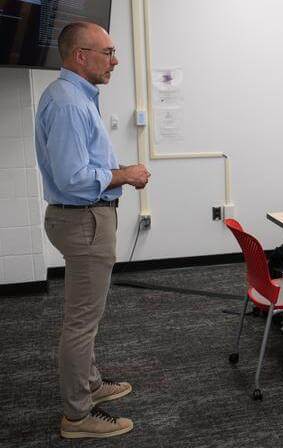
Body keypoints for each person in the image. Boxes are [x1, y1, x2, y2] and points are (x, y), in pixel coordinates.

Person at [36, 22, 150, 439]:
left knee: (87, 316)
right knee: (81, 322)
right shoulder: (68, 103)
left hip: (85, 219)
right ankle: (77, 416)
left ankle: (90, 385)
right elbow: (72, 178)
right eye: (108, 52)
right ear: (80, 56)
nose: (115, 60)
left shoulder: (75, 96)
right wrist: (126, 174)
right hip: (83, 219)